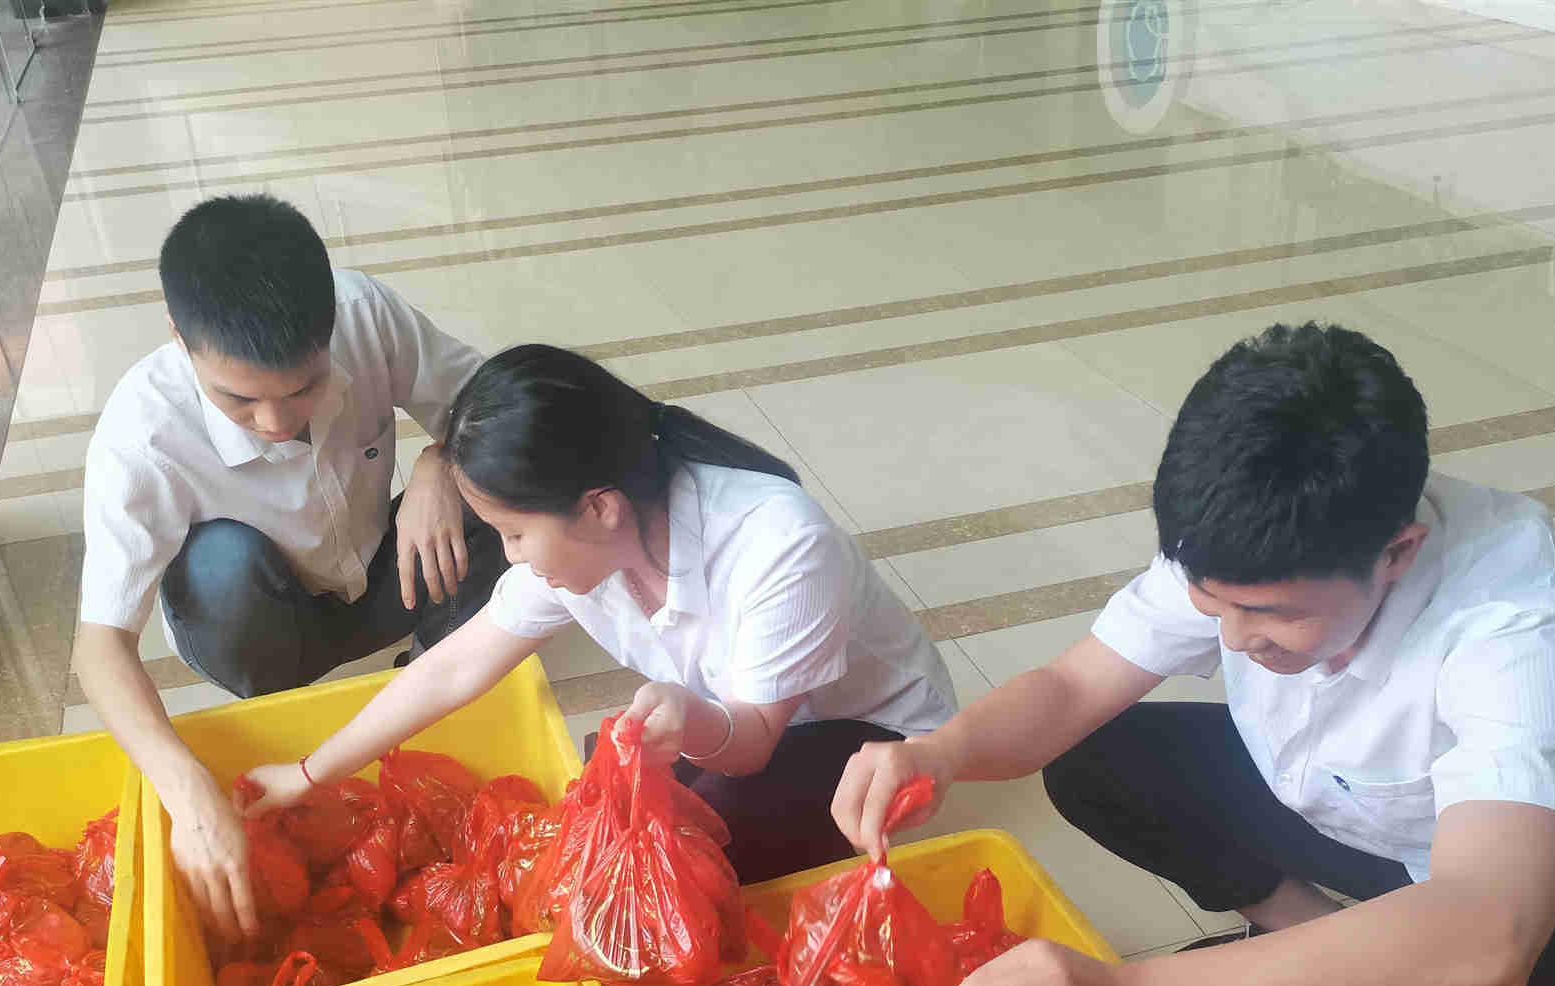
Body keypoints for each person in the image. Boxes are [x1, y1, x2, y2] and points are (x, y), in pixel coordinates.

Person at [832, 322, 1555, 986]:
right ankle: (1295, 924)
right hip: (1356, 808)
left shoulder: (1530, 634)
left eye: (1274, 615)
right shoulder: (1246, 540)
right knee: (1099, 760)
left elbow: (1486, 931)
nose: (1237, 639)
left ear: (1398, 553)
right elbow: (1071, 689)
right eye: (1215, 606)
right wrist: (939, 751)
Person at [239, 343, 956, 886]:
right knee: (601, 810)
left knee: (672, 862)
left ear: (598, 509)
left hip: (867, 736)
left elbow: (751, 744)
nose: (512, 557)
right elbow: (454, 667)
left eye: (515, 534)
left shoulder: (779, 545)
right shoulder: (590, 544)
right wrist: (308, 773)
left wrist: (691, 720)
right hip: (731, 712)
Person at [74, 193, 508, 939]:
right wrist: (186, 791)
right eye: (239, 400)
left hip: (380, 576)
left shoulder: (366, 315)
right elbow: (100, 646)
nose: (277, 422)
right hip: (259, 622)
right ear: (179, 336)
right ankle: (280, 703)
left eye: (304, 387)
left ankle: (427, 677)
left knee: (493, 494)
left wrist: (439, 462)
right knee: (218, 563)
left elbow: (495, 404)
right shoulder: (140, 436)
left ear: (330, 325)